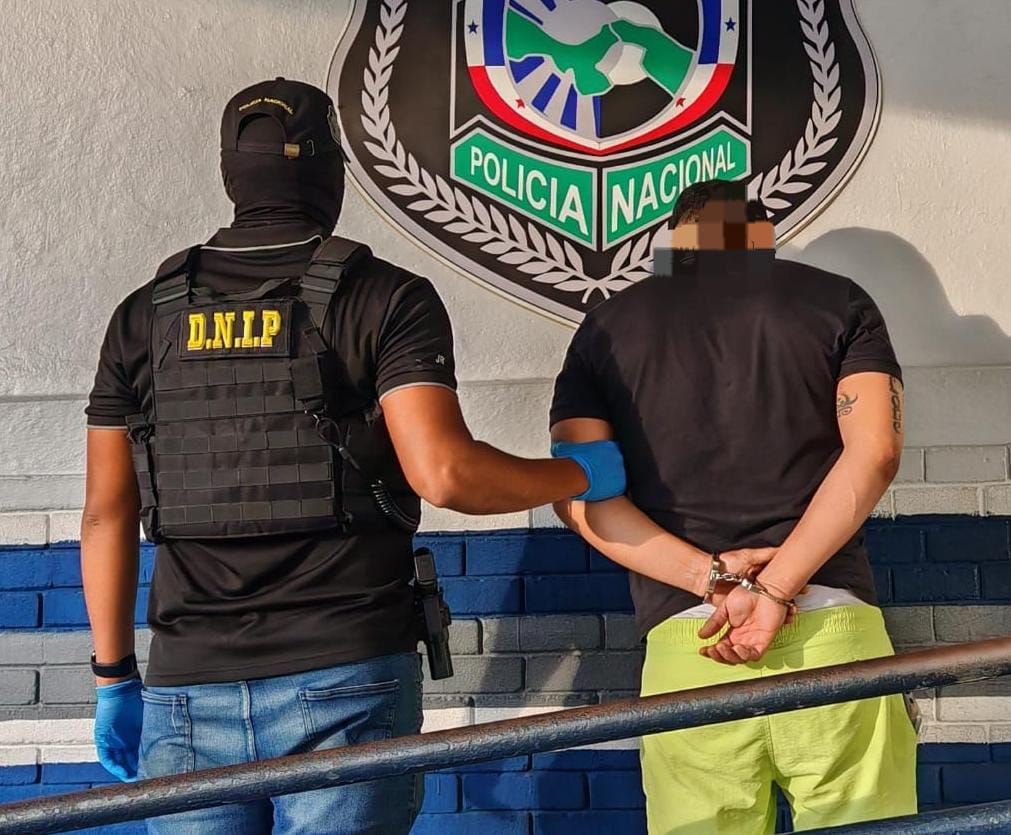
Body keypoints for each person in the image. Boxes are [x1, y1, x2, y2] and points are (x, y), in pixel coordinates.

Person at [82, 77, 625, 835]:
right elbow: (447, 475)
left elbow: (106, 515)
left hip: (186, 688)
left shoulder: (144, 315)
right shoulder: (383, 297)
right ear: (331, 171)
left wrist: (113, 676)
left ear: (231, 173)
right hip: (345, 676)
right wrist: (581, 473)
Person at [549, 180, 917, 834]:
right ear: (762, 236)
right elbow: (875, 452)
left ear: (674, 242)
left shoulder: (608, 326)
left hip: (691, 642)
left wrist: (711, 578)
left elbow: (581, 494)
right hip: (831, 632)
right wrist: (774, 587)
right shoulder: (838, 302)